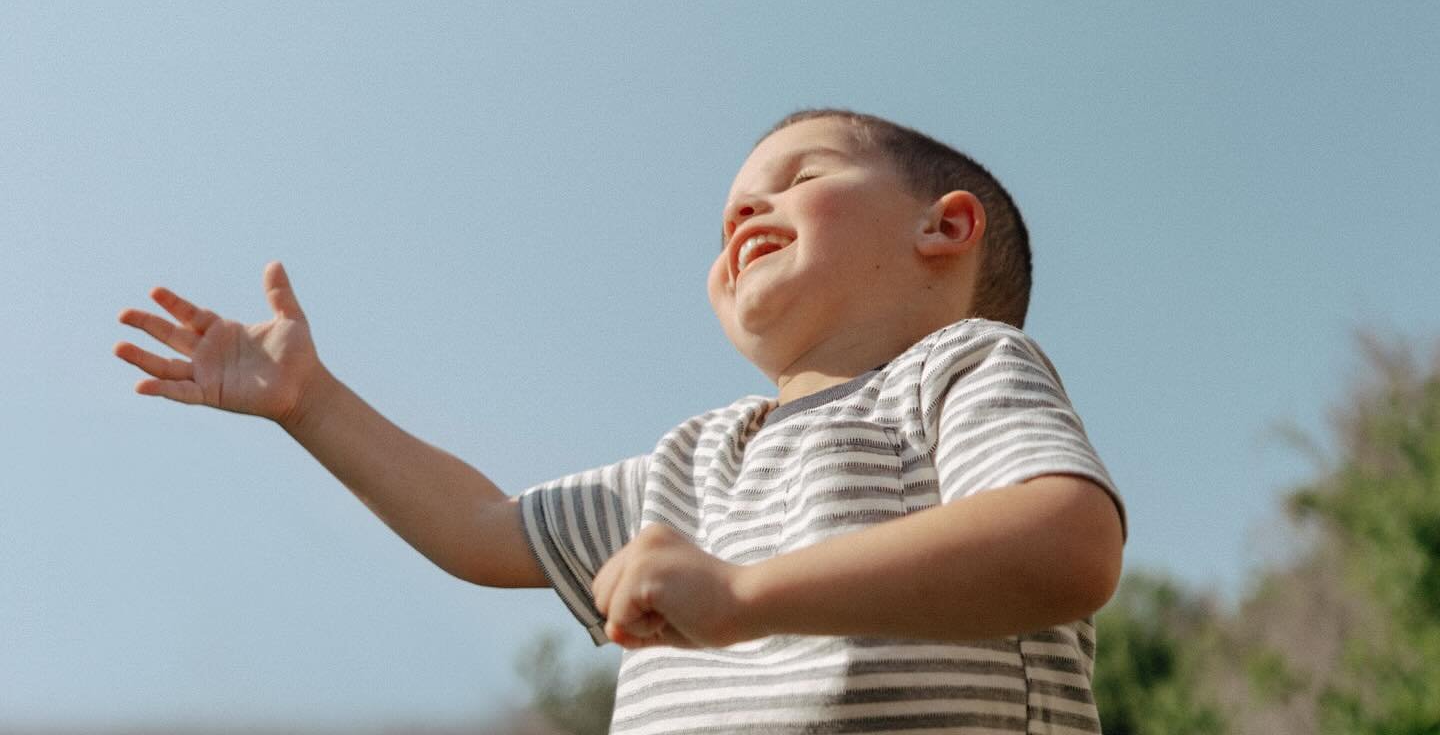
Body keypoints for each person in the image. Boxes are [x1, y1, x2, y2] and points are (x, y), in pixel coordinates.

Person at [115, 107, 1127, 734]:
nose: (742, 214)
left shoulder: (960, 368)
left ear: (943, 228)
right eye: (729, 210)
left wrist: (747, 595)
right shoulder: (692, 465)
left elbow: (1067, 546)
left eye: (800, 177)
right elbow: (479, 530)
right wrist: (311, 403)